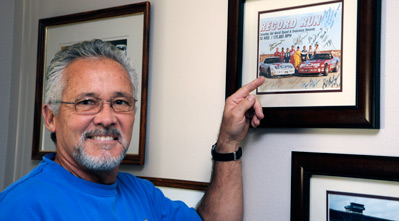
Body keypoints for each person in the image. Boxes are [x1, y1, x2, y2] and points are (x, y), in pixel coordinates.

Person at [0, 39, 265, 220]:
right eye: (87, 102)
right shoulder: (21, 206)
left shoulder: (142, 194)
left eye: (120, 102)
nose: (107, 117)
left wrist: (227, 143)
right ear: (50, 118)